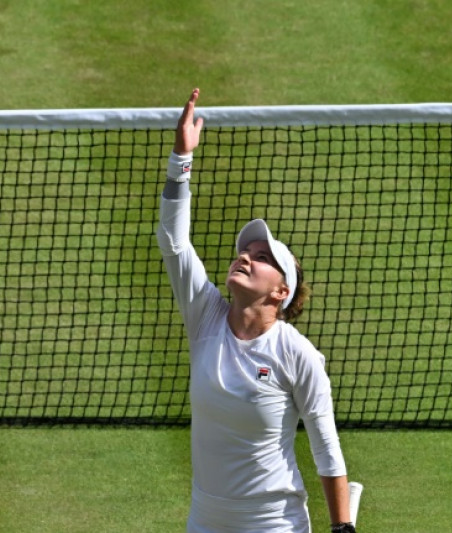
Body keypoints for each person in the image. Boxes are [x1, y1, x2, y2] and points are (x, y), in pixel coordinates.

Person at [156, 88, 356, 533]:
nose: (245, 256)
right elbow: (173, 242)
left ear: (281, 292)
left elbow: (325, 445)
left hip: (274, 523)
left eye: (262, 257)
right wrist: (181, 159)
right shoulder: (204, 315)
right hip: (206, 518)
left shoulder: (297, 355)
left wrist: (343, 527)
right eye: (245, 250)